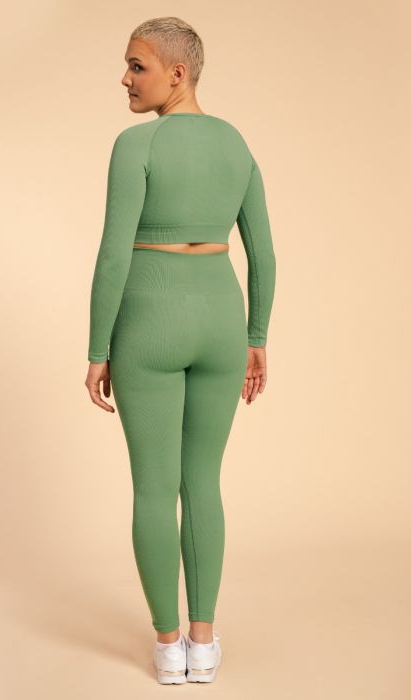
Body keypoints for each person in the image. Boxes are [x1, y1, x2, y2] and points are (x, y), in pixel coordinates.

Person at [84, 17, 276, 684]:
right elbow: (264, 256)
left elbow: (114, 255)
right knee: (203, 483)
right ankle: (205, 642)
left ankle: (169, 648)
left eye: (137, 66)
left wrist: (97, 347)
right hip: (221, 321)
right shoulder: (237, 145)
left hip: (150, 321)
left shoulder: (135, 145)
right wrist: (256, 338)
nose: (125, 79)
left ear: (178, 73)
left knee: (153, 487)